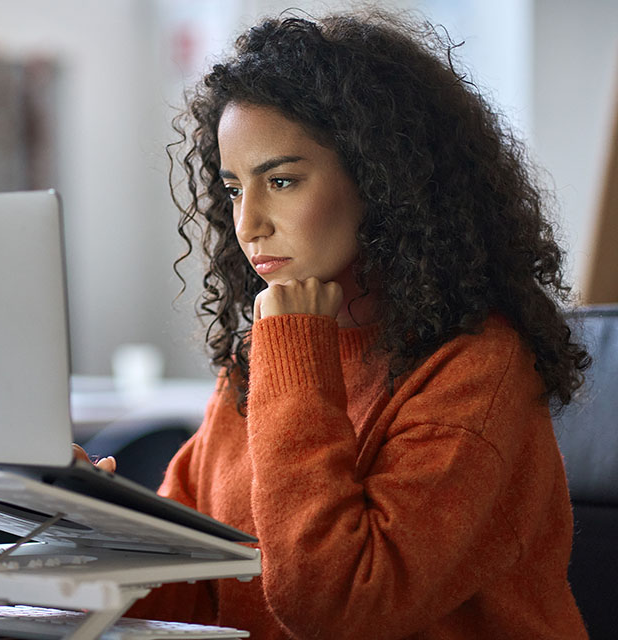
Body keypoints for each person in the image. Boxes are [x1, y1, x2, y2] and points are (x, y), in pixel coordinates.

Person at [117, 9, 591, 639]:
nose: (248, 222)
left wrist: (293, 357)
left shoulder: (481, 368)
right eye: (233, 188)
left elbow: (338, 606)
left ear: (382, 180)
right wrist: (93, 530)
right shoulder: (263, 361)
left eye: (280, 181)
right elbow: (200, 592)